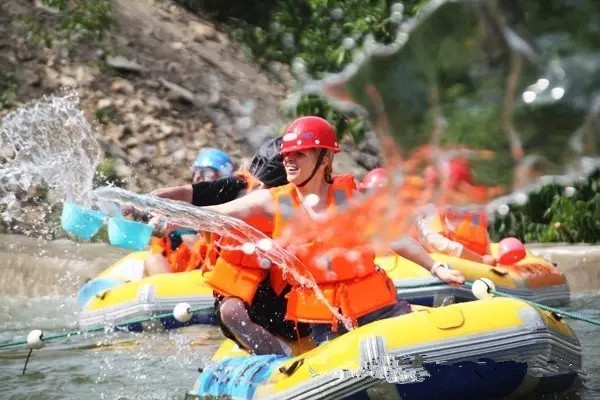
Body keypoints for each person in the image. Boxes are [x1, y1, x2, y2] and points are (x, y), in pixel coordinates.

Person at [199, 116, 465, 351]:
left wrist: (437, 268)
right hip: (327, 322)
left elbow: (396, 238)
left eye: (299, 155)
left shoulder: (353, 199)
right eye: (287, 155)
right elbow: (218, 212)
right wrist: (168, 212)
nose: (289, 161)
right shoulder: (272, 201)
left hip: (379, 309)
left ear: (324, 159)